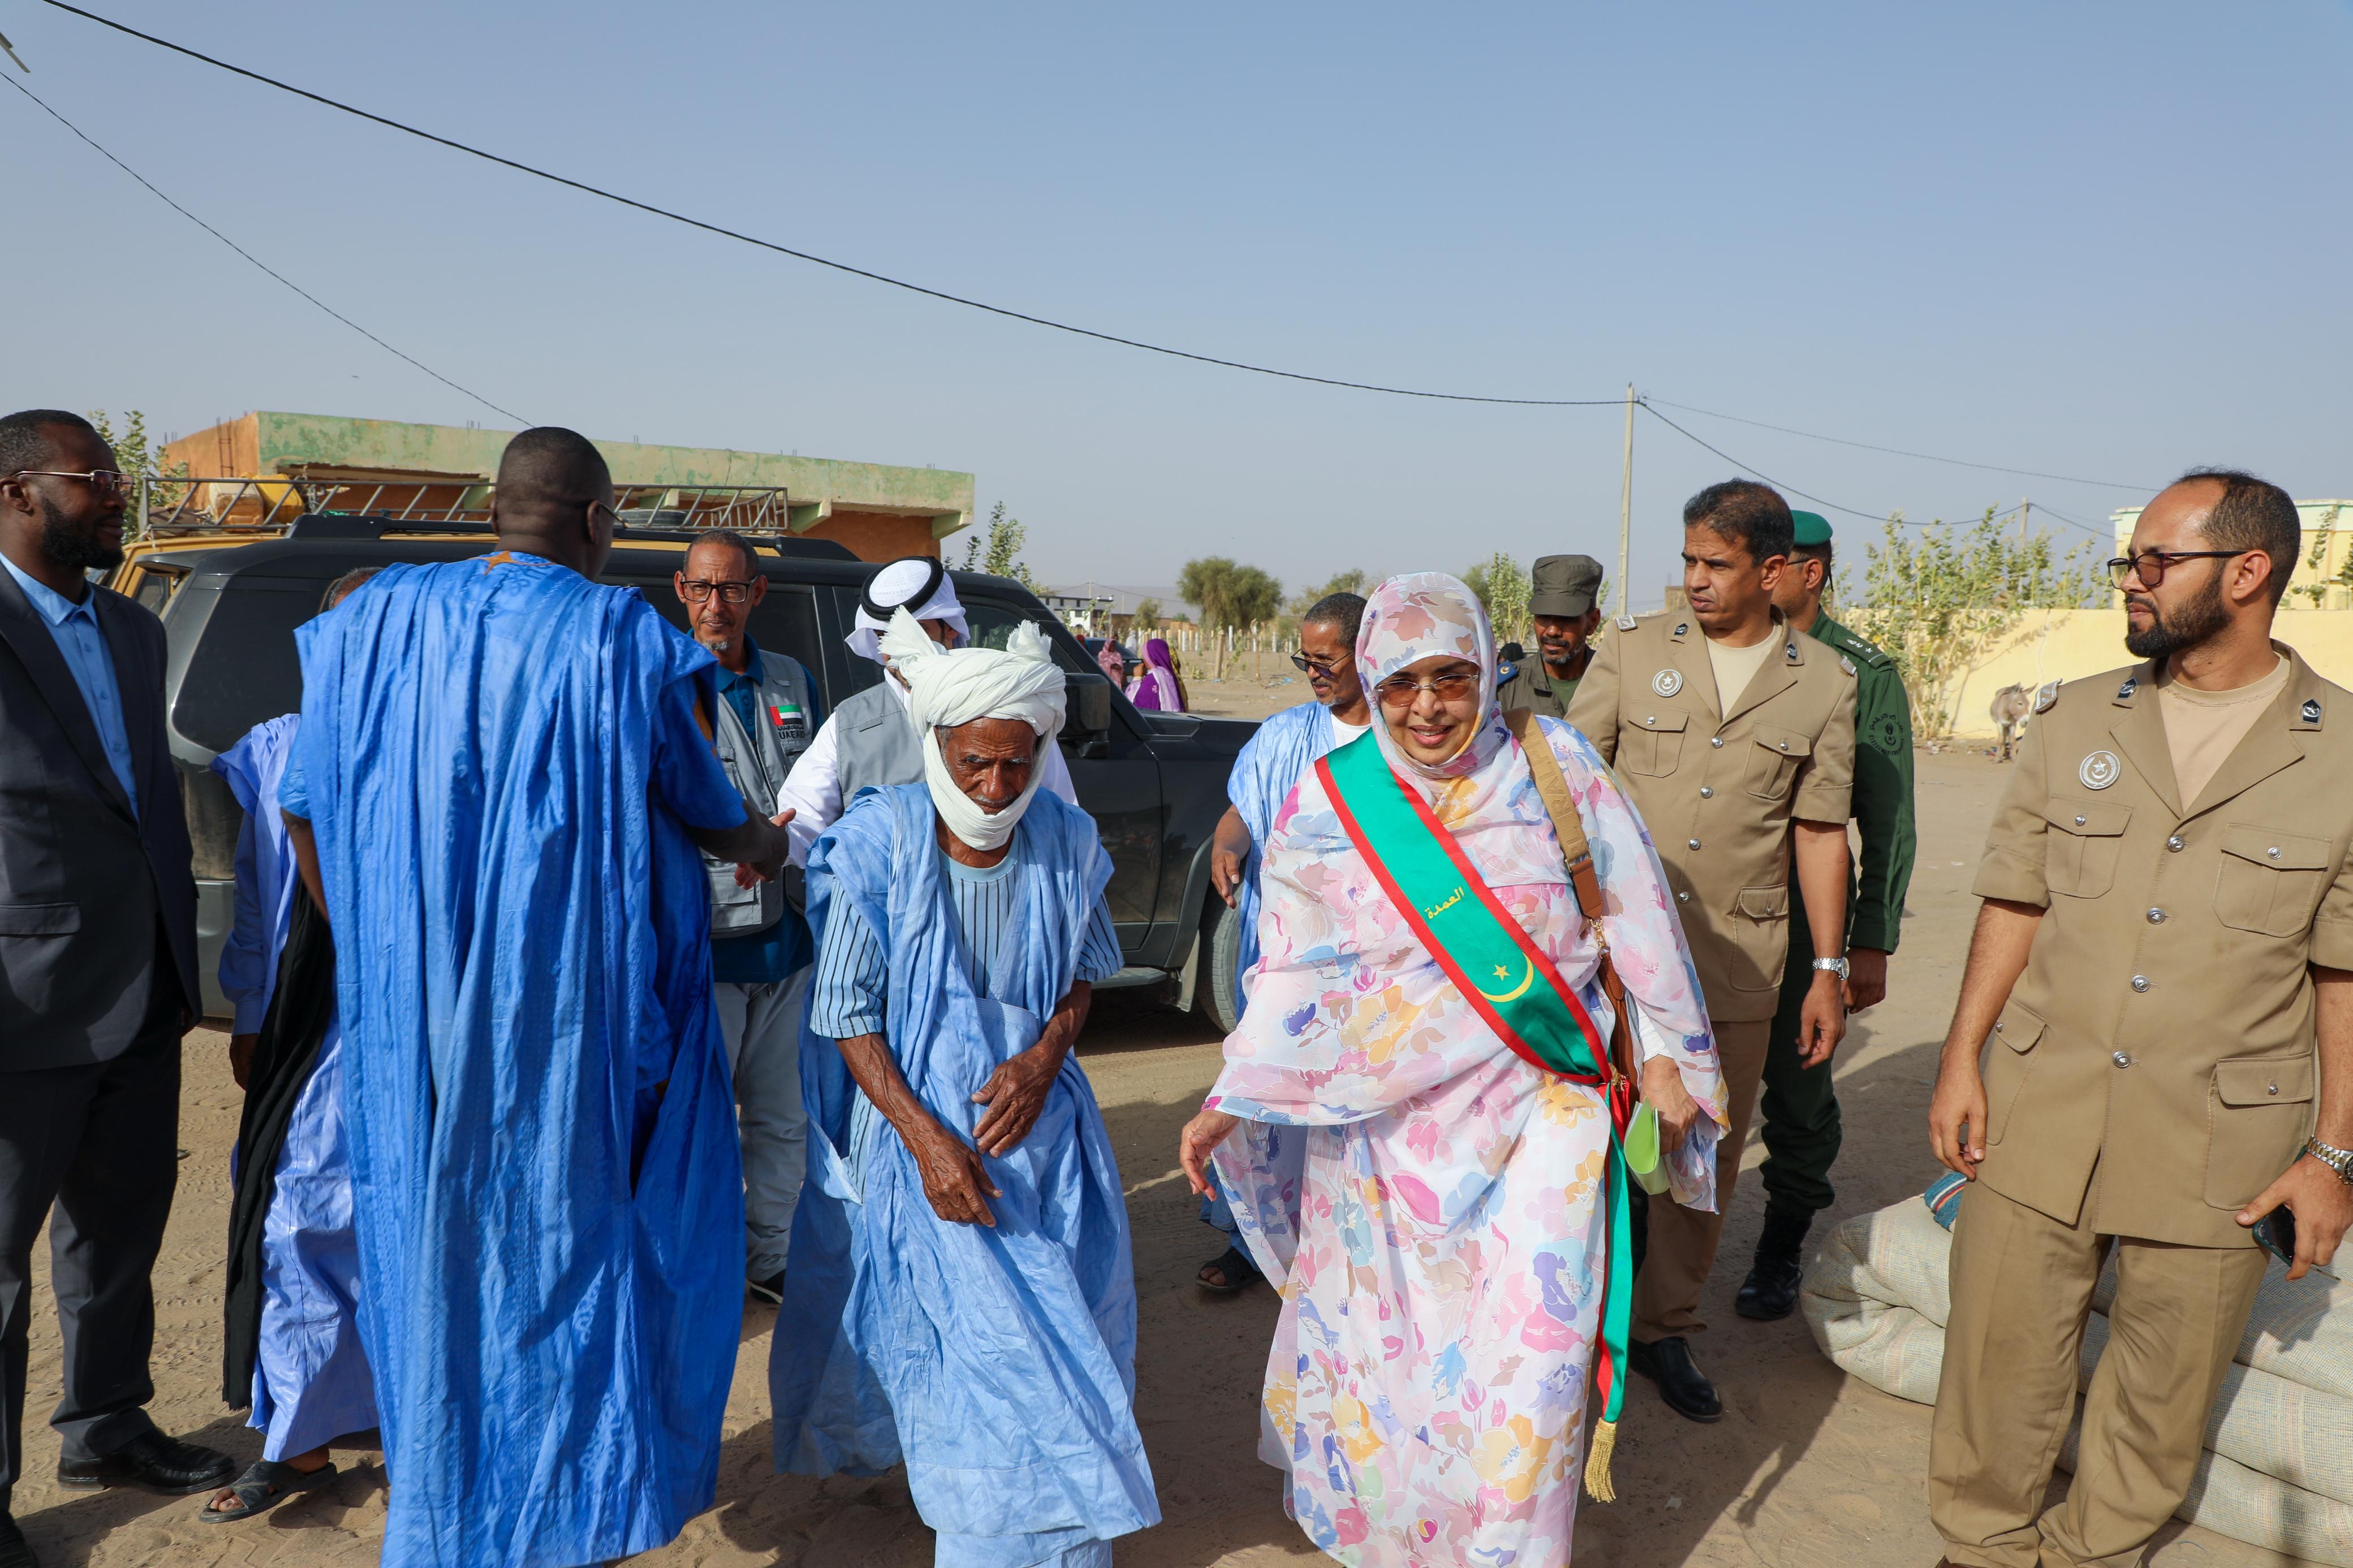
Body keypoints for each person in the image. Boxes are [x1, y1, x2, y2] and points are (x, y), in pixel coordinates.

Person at [279, 426, 794, 1567]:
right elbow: (708, 808)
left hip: (408, 1022)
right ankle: (566, 1520)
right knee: (564, 1255)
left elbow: (303, 803)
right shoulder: (618, 636)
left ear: (492, 507)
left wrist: (366, 939)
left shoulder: (370, 622)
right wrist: (771, 844)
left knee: (430, 1247)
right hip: (560, 1026)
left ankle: (450, 1506)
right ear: (599, 521)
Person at [1175, 572, 1726, 1564]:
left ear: (1486, 668)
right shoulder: (1331, 799)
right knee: (1398, 1363)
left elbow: (1639, 913)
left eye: (1451, 677)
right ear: (1371, 682)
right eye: (1400, 683)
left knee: (1531, 1366)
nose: (1427, 706)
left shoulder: (1554, 764)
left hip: (1546, 1112)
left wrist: (1670, 1060)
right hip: (1385, 1142)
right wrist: (1233, 1095)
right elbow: (1295, 968)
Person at [1926, 469, 2353, 1568]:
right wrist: (1962, 1057)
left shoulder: (2343, 753)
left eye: (2157, 560)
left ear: (2247, 572)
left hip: (2220, 1132)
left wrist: (2333, 1155)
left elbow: (2344, 975)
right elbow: (2013, 899)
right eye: (2131, 558)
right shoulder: (2076, 718)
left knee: (2162, 1389)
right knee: (1996, 1354)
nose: (2131, 578)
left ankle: (2092, 1553)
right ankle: (1978, 1547)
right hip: (2044, 1097)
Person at [774, 608, 1157, 1568]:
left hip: (1049, 1148)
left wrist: (1045, 1056)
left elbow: (1084, 976)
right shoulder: (880, 843)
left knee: (1069, 1350)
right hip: (929, 1157)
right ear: (939, 744)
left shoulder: (1065, 839)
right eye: (976, 763)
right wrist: (929, 1143)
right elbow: (847, 1015)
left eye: (1016, 765)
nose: (995, 787)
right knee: (979, 1373)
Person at [1566, 478, 1856, 1423]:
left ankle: (1662, 1327)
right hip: (1611, 952)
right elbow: (1565, 789)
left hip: (1736, 957)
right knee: (1585, 1135)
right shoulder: (1633, 650)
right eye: (1689, 558)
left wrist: (1827, 969)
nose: (1694, 578)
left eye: (1716, 564)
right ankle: (1573, 1315)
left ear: (1773, 572)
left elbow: (1821, 831)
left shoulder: (1826, 682)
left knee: (1701, 1151)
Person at [0, 409, 231, 1568]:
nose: (117, 494)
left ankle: (105, 1424)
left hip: (143, 983)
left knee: (119, 1233)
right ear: (15, 492)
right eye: (93, 477)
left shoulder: (134, 629)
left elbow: (146, 804)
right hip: (20, 998)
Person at [208, 567, 381, 1524]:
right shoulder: (277, 748)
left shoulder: (435, 744)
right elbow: (258, 896)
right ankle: (298, 1439)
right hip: (308, 1021)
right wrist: (249, 1015)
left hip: (405, 1019)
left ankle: (396, 1411)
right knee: (291, 1215)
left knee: (394, 1217)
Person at [1736, 511, 1917, 1319]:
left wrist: (1868, 939)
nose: (1757, 576)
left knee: (1799, 1085)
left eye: (1773, 564)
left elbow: (1886, 817)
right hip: (1719, 912)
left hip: (1807, 916)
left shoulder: (1861, 673)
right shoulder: (1730, 658)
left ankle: (1780, 1243)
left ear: (1809, 573)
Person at [1192, 590, 1371, 1293]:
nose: (1313, 673)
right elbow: (1241, 812)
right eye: (1305, 660)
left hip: (1366, 965)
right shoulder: (1284, 735)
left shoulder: (1401, 739)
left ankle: (1343, 1252)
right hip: (1285, 960)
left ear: (1366, 652)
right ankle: (1250, 1239)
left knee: (1349, 1108)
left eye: (1325, 660)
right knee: (1268, 1094)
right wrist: (1226, 844)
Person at [673, 530, 822, 1305]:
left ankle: (769, 1256)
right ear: (680, 591)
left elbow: (824, 790)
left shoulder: (790, 679)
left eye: (731, 588)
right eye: (702, 588)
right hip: (708, 949)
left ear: (757, 594)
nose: (716, 605)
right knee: (699, 1130)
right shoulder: (665, 685)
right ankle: (701, 1277)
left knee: (781, 1119)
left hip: (789, 943)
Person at [775, 555, 1076, 869]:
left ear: (950, 629)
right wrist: (770, 843)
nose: (900, 653)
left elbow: (1060, 818)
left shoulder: (1009, 704)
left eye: (918, 634)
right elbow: (802, 822)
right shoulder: (850, 724)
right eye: (885, 637)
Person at [1496, 552, 1605, 718]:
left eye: (1566, 618)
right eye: (1543, 617)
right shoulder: (1504, 689)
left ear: (1593, 622)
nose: (1552, 631)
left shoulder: (1615, 684)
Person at [1128, 637, 1184, 712]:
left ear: (1151, 657)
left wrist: (1137, 678)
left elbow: (1138, 703)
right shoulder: (1168, 674)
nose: (1144, 659)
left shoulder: (1154, 677)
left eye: (1145, 656)